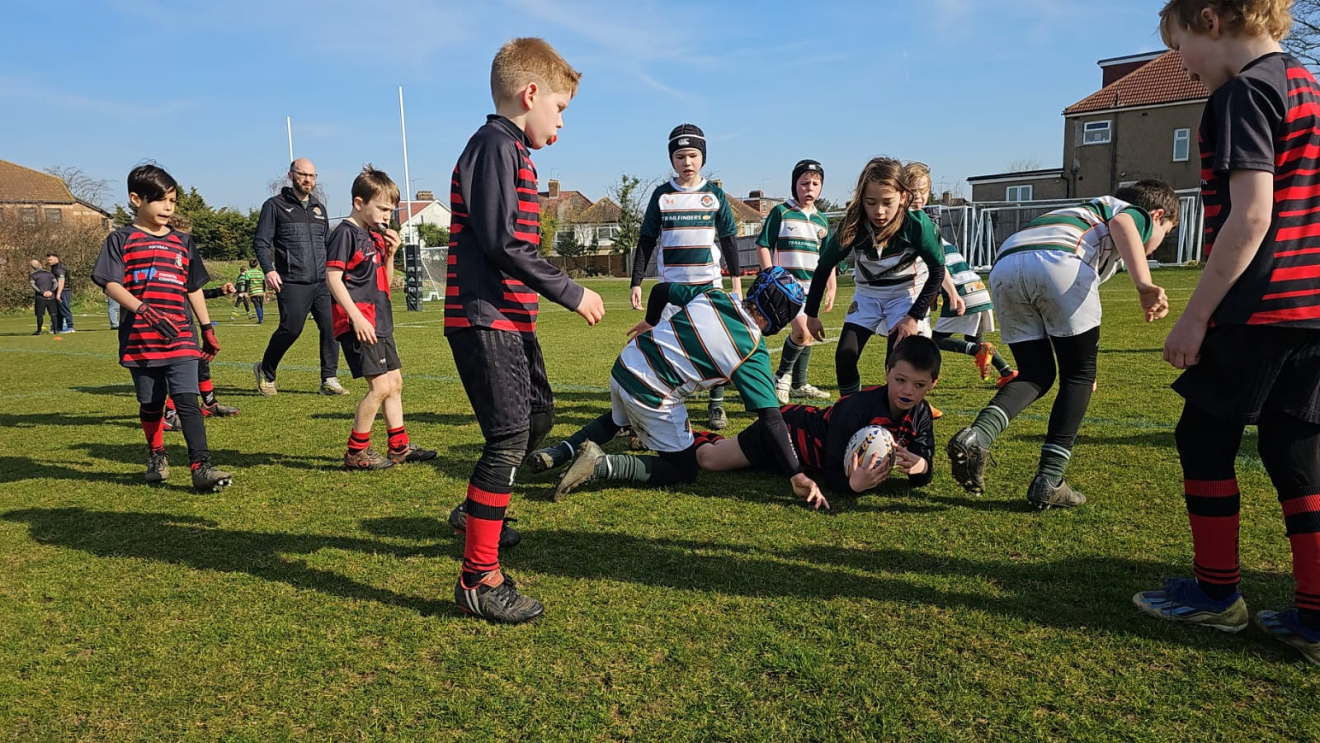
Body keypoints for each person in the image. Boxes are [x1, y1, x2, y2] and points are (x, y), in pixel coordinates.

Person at [1134, 0, 1320, 668]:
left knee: (1204, 434)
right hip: (1312, 309)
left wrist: (1195, 314)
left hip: (1260, 307)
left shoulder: (1245, 93)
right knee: (1295, 445)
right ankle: (1314, 612)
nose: (1183, 68)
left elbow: (1250, 218)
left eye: (1180, 46)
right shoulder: (1306, 85)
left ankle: (1216, 594)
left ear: (1210, 20)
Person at [443, 37, 604, 624]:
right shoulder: (493, 145)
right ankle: (478, 579)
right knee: (508, 439)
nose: (561, 123)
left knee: (537, 419)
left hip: (511, 318)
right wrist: (571, 290)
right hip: (484, 318)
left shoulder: (515, 152)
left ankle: (474, 513)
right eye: (559, 109)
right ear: (529, 93)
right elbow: (502, 242)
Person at [947, 181, 1176, 509]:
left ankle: (977, 437)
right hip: (1060, 261)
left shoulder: (1082, 212)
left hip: (1005, 266)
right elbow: (1124, 224)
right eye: (1165, 232)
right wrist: (1144, 283)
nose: (1156, 245)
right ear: (1156, 216)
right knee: (1078, 378)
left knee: (1036, 374)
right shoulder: (1132, 214)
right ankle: (1049, 480)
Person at [531, 268, 827, 508]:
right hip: (652, 393)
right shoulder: (751, 350)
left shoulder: (714, 293)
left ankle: (558, 452)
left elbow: (661, 291)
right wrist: (796, 473)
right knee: (683, 469)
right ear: (782, 318)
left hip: (626, 364)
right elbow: (772, 420)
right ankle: (600, 465)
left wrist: (650, 322)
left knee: (617, 419)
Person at [90, 164, 232, 492]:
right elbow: (110, 282)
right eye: (160, 200)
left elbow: (193, 287)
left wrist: (207, 327)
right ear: (136, 199)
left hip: (180, 335)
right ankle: (156, 453)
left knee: (187, 399)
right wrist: (144, 310)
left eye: (173, 200)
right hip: (141, 337)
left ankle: (201, 466)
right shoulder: (121, 239)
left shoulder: (183, 242)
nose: (168, 207)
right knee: (152, 404)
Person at [696, 334, 940, 496]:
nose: (908, 391)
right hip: (786, 432)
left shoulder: (922, 415)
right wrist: (852, 485)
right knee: (710, 460)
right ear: (887, 372)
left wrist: (921, 467)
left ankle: (716, 440)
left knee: (728, 452)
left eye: (919, 385)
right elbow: (833, 472)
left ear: (933, 383)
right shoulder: (855, 409)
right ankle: (689, 434)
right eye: (900, 380)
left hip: (803, 462)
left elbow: (922, 470)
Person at [629, 123, 743, 430]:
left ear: (702, 157)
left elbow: (730, 240)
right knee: (664, 348)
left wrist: (735, 282)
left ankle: (716, 406)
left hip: (709, 286)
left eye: (692, 155)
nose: (687, 162)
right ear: (672, 160)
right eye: (680, 156)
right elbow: (646, 241)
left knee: (718, 344)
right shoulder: (662, 196)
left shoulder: (715, 195)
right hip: (670, 290)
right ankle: (661, 405)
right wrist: (636, 282)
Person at [802, 157, 947, 397]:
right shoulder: (854, 224)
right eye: (871, 202)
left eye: (887, 202)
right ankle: (850, 409)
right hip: (867, 295)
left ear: (903, 196)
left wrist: (913, 317)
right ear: (862, 200)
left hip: (903, 296)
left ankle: (894, 420)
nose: (879, 211)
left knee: (897, 362)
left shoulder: (917, 224)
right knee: (844, 356)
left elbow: (938, 271)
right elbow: (824, 266)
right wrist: (811, 314)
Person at [326, 165, 436, 470]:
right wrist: (356, 318)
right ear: (360, 203)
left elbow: (384, 283)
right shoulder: (345, 235)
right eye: (383, 208)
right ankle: (355, 452)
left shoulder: (373, 236)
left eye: (391, 209)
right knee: (379, 388)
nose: (388, 215)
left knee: (395, 383)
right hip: (360, 325)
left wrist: (390, 255)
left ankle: (398, 447)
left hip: (380, 322)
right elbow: (333, 278)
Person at [906, 162, 1017, 388]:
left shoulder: (918, 226)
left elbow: (937, 266)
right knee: (974, 337)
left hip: (960, 290)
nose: (918, 197)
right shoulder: (929, 226)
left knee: (935, 340)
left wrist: (950, 293)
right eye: (913, 191)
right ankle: (1006, 372)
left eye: (922, 191)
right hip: (977, 288)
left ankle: (976, 352)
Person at [252, 158, 346, 396]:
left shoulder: (318, 208)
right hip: (292, 280)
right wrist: (268, 269)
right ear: (291, 175)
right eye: (303, 174)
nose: (308, 180)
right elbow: (261, 242)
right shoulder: (274, 205)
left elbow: (326, 243)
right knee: (291, 329)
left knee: (331, 327)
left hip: (322, 281)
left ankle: (329, 379)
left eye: (312, 176)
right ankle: (266, 370)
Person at [759, 159, 837, 404]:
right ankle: (781, 377)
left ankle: (799, 383)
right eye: (804, 183)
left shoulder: (822, 221)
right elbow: (763, 244)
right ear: (795, 185)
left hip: (811, 288)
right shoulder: (781, 212)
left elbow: (827, 258)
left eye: (815, 184)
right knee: (801, 332)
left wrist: (831, 285)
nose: (810, 188)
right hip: (786, 288)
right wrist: (770, 275)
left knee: (809, 333)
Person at [28, 259, 58, 335]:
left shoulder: (33, 275)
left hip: (40, 297)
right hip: (51, 297)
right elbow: (55, 283)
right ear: (40, 264)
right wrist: (51, 291)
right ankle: (55, 330)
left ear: (32, 267)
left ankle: (39, 331)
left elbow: (33, 285)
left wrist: (42, 292)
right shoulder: (49, 274)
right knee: (53, 314)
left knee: (40, 314)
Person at [46, 253, 72, 333]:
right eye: (48, 260)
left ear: (56, 258)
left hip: (64, 290)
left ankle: (70, 327)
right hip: (59, 291)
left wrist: (58, 293)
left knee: (64, 308)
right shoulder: (54, 267)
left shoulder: (59, 268)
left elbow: (61, 281)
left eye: (50, 259)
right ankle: (58, 327)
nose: (49, 261)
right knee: (58, 310)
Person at [243, 259, 266, 324]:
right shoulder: (260, 272)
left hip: (253, 292)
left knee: (257, 306)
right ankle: (261, 318)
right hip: (260, 291)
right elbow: (264, 283)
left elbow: (247, 283)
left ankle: (260, 319)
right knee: (261, 305)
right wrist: (264, 291)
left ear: (249, 265)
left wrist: (245, 292)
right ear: (257, 265)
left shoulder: (248, 273)